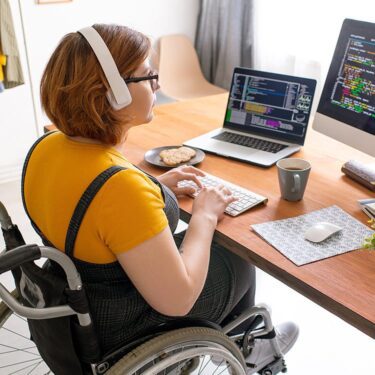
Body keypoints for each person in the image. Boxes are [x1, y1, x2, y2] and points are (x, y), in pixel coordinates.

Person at [22, 23, 298, 370]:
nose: (158, 85)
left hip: (79, 298)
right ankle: (252, 348)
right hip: (120, 325)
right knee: (237, 252)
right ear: (112, 93)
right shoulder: (121, 188)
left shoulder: (47, 146)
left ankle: (249, 343)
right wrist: (205, 215)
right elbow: (178, 300)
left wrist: (157, 187)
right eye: (148, 76)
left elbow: (94, 209)